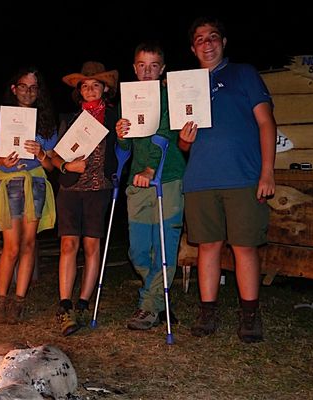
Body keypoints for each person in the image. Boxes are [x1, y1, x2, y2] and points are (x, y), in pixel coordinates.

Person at [179, 17, 276, 343]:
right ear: (193, 48)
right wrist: (185, 138)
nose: (207, 43)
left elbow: (266, 123)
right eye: (200, 39)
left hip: (243, 177)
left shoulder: (244, 73)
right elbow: (183, 145)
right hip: (201, 179)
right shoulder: (186, 85)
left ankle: (250, 315)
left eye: (213, 37)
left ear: (223, 42)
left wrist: (267, 171)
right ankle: (208, 313)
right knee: (208, 247)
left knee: (245, 247)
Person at [115, 42, 186, 330]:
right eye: (142, 65)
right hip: (138, 181)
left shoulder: (170, 97)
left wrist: (151, 167)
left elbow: (167, 132)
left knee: (165, 248)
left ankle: (148, 306)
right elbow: (125, 146)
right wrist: (120, 135)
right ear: (134, 68)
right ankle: (160, 299)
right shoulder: (128, 99)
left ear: (163, 69)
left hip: (167, 177)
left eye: (154, 65)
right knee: (138, 251)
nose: (147, 71)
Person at [50, 61, 118, 336]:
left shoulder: (114, 119)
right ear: (79, 90)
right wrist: (67, 167)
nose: (90, 90)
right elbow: (54, 157)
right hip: (70, 190)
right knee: (68, 245)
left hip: (98, 189)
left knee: (92, 246)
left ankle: (83, 303)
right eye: (85, 86)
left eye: (96, 85)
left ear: (105, 89)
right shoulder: (69, 118)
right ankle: (65, 305)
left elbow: (125, 147)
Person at [0, 66, 57, 324]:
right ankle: (0, 300)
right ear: (14, 89)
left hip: (35, 183)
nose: (28, 92)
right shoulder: (0, 119)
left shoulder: (46, 122)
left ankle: (18, 301)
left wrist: (40, 154)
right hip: (9, 183)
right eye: (23, 86)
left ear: (39, 92)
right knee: (12, 246)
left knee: (28, 244)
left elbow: (51, 165)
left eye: (33, 87)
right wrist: (2, 160)